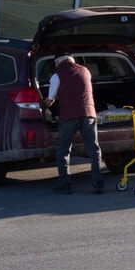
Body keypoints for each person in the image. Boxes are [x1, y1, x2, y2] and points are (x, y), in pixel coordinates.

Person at [45, 54, 103, 194]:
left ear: (57, 62)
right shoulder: (86, 71)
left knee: (64, 150)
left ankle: (65, 184)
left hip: (69, 116)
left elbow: (50, 100)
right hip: (88, 113)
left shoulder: (57, 75)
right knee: (94, 150)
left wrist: (41, 105)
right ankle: (98, 184)